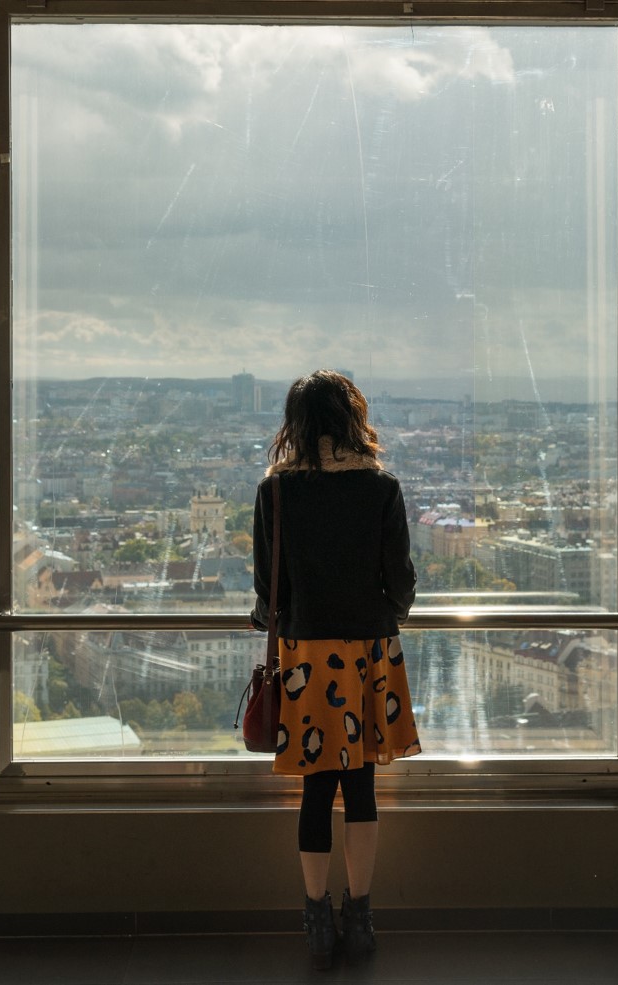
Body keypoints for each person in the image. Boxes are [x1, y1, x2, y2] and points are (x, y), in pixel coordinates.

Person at [251, 369, 421, 970]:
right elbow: (400, 579)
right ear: (353, 418)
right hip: (370, 649)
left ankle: (316, 917)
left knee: (316, 788)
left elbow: (268, 589)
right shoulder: (380, 486)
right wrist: (383, 614)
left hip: (305, 653)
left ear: (295, 425)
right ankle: (362, 915)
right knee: (363, 789)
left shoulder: (276, 491)